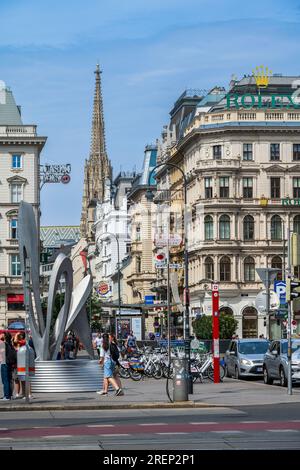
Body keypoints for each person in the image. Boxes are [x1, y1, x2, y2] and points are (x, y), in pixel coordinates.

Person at [0, 332, 16, 400]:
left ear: (4, 337)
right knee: (9, 379)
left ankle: (7, 396)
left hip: (4, 363)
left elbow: (3, 353)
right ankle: (9, 395)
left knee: (5, 380)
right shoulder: (10, 344)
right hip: (10, 363)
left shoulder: (3, 344)